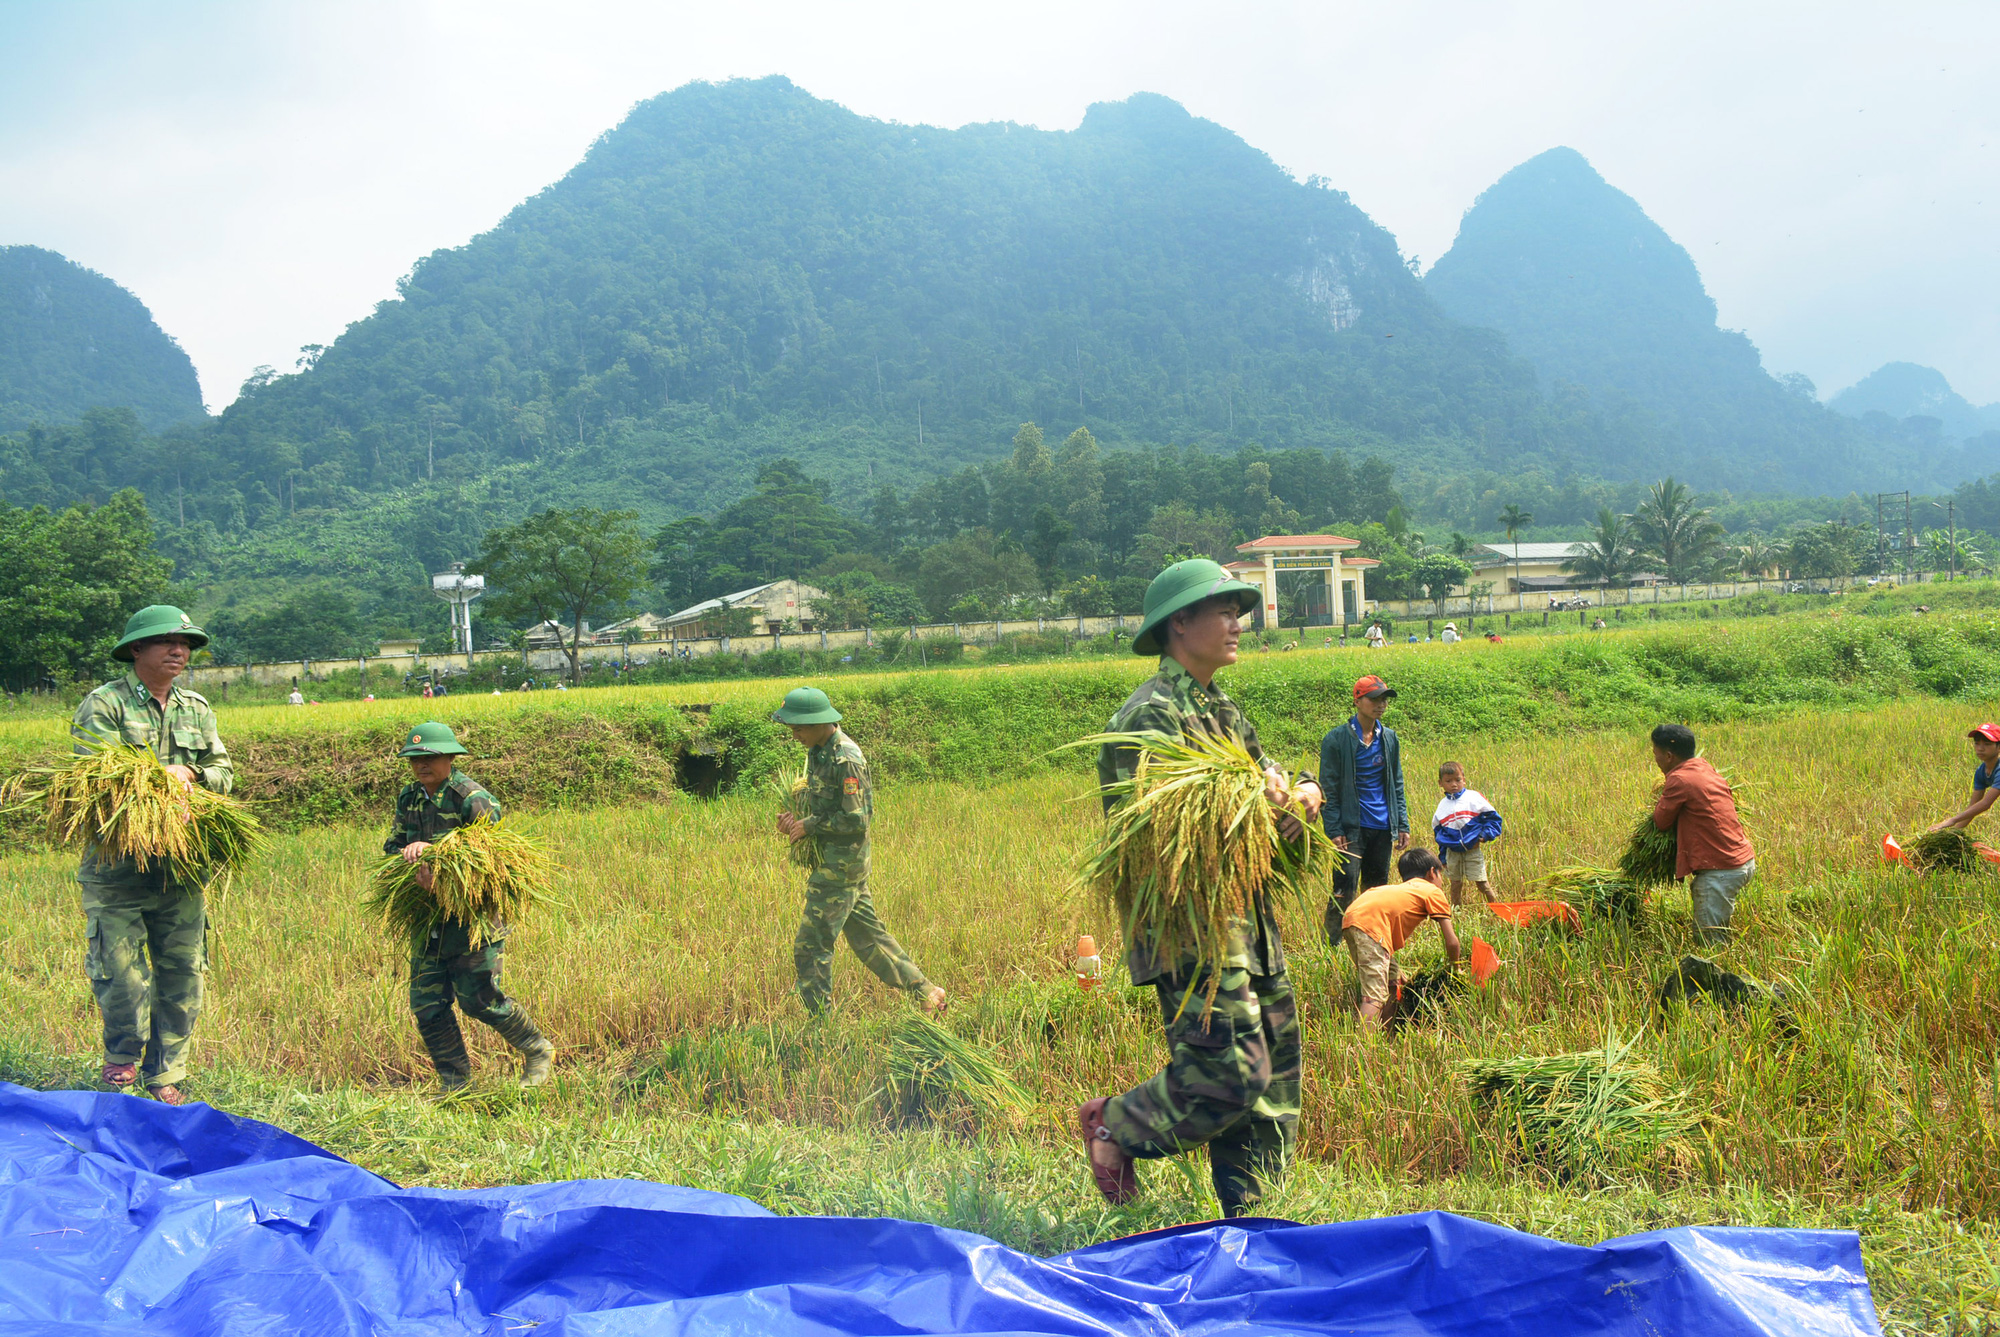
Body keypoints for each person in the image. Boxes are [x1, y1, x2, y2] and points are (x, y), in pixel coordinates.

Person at [1077, 559, 1322, 1218]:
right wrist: (1254, 795)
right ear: (1178, 623)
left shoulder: (1224, 712)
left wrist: (1301, 796)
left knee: (1273, 1081)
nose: (1237, 622)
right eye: (1222, 610)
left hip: (1251, 923)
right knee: (1229, 1074)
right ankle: (1116, 1126)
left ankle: (1256, 1226)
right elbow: (1156, 834)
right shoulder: (1147, 717)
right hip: (1191, 930)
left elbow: (1266, 806)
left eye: (1238, 609)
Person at [70, 606, 231, 1106]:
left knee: (183, 973)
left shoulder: (197, 708)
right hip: (116, 868)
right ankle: (121, 1056)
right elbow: (100, 775)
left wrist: (198, 777)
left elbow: (222, 769)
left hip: (180, 867)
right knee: (122, 975)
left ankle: (165, 1075)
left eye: (185, 644)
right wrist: (165, 776)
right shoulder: (105, 705)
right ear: (137, 649)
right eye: (165, 642)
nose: (179, 651)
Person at [385, 722, 554, 1091]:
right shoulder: (409, 797)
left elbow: (493, 861)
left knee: (478, 1001)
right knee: (427, 1006)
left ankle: (537, 1049)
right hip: (427, 918)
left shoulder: (472, 798)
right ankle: (455, 1084)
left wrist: (438, 857)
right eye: (414, 759)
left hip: (471, 919)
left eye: (429, 757)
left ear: (449, 757)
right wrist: (406, 857)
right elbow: (392, 845)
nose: (420, 765)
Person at [772, 688, 947, 1018]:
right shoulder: (819, 750)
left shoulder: (846, 759)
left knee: (810, 947)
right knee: (869, 939)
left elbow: (856, 818)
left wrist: (810, 826)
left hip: (840, 867)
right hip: (835, 861)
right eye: (792, 729)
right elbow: (825, 802)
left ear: (820, 722)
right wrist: (796, 820)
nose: (794, 736)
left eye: (799, 729)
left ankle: (819, 1025)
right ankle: (927, 993)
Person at [1649, 723, 1756, 946]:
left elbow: (1661, 822)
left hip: (1720, 871)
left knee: (1710, 943)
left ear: (1668, 756)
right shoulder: (1704, 767)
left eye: (1656, 754)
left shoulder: (1679, 780)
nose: (1656, 760)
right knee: (1717, 929)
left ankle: (1717, 977)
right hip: (1742, 861)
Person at [1318, 674, 1410, 932]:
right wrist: (1334, 830)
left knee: (1376, 889)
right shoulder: (1336, 740)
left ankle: (1373, 940)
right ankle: (1333, 945)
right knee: (1344, 888)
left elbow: (1396, 784)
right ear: (1357, 701)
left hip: (1382, 825)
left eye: (1384, 700)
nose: (1381, 704)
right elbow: (1329, 789)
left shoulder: (1389, 738)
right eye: (1374, 699)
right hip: (1351, 828)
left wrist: (1401, 823)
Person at [1341, 848, 1462, 1028]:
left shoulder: (1401, 889)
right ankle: (1364, 1049)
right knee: (1374, 995)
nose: (1441, 881)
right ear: (1432, 872)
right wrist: (1455, 968)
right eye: (1440, 875)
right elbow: (1451, 941)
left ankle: (1386, 1033)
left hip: (1352, 919)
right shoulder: (1432, 891)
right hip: (1371, 925)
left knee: (1393, 980)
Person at [1432, 761, 1501, 905]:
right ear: (1440, 783)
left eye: (1458, 780)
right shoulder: (1441, 808)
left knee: (1482, 883)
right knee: (1455, 884)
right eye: (1448, 781)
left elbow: (1494, 819)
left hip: (1473, 850)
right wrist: (1443, 858)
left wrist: (1484, 836)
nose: (1454, 784)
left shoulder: (1474, 798)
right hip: (1453, 853)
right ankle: (1456, 911)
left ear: (1464, 779)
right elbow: (1440, 836)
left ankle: (1496, 907)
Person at [1928, 723, 2000, 831]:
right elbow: (1973, 807)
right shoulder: (1981, 771)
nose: (1980, 748)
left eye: (1987, 744)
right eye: (1977, 743)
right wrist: (1953, 833)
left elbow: (1985, 804)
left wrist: (1951, 820)